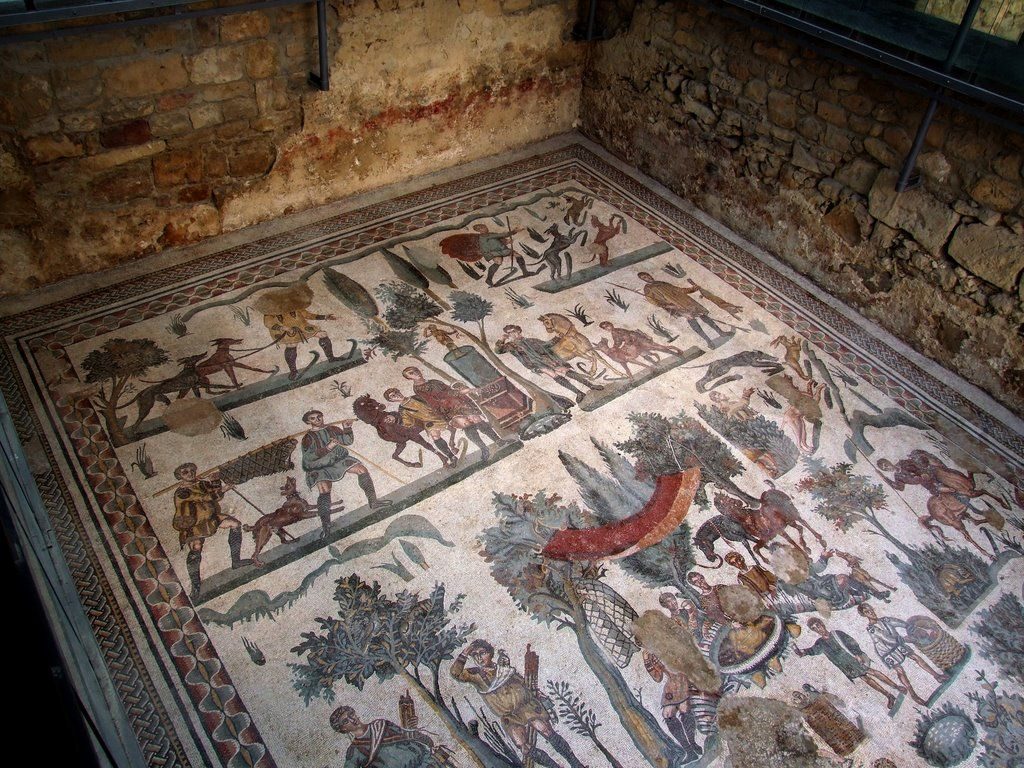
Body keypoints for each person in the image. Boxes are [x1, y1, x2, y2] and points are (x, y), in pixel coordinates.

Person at [451, 639, 588, 768]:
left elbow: (523, 682)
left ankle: (576, 764)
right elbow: (455, 673)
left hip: (526, 707)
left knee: (545, 730)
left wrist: (539, 695)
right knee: (524, 747)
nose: (479, 658)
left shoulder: (504, 669)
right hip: (509, 716)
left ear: (490, 653)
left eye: (482, 653)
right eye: (475, 655)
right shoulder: (474, 675)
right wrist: (465, 653)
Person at [301, 409, 390, 537]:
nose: (317, 420)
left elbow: (347, 441)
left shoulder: (332, 429)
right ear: (308, 422)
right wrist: (328, 447)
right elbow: (308, 458)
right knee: (324, 489)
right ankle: (326, 526)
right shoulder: (308, 438)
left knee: (362, 469)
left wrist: (347, 428)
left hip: (337, 460)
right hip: (320, 466)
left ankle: (373, 501)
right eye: (313, 418)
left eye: (319, 416)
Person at [795, 617, 906, 711]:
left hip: (853, 658)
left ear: (822, 624)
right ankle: (888, 695)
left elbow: (851, 641)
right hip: (846, 665)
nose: (818, 629)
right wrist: (802, 652)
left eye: (818, 626)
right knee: (866, 679)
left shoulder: (836, 634)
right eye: (814, 629)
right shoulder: (820, 643)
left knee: (872, 672)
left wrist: (857, 653)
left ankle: (896, 687)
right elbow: (813, 650)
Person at [172, 462, 248, 599]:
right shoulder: (182, 492)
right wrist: (223, 489)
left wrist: (215, 480)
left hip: (211, 518)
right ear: (179, 476)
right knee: (196, 547)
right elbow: (203, 497)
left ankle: (236, 561)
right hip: (194, 524)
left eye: (192, 470)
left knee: (235, 524)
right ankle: (195, 586)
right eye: (185, 472)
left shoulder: (201, 484)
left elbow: (217, 496)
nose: (190, 473)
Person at [400, 367, 500, 460]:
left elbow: (448, 389)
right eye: (411, 373)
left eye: (416, 370)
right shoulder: (418, 389)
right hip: (447, 409)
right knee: (465, 424)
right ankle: (484, 449)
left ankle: (498, 441)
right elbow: (438, 397)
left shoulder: (434, 381)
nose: (416, 373)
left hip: (458, 403)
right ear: (409, 378)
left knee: (476, 419)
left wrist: (461, 392)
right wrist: (462, 392)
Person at [857, 603, 947, 705]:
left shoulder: (885, 620)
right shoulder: (871, 629)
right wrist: (904, 639)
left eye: (871, 609)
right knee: (900, 670)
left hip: (898, 643)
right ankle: (914, 695)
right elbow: (885, 638)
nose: (871, 612)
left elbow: (899, 622)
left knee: (915, 657)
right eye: (867, 612)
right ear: (864, 615)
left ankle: (937, 676)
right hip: (887, 651)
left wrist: (911, 628)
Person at [495, 324, 602, 403]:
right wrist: (502, 339)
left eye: (513, 331)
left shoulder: (531, 340)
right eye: (509, 333)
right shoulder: (511, 346)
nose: (512, 334)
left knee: (565, 371)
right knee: (554, 376)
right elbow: (498, 351)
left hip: (547, 359)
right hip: (536, 364)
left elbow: (546, 344)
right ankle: (578, 392)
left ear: (518, 331)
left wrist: (557, 337)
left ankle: (591, 385)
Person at [636, 271, 731, 346]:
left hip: (686, 301)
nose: (647, 278)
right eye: (644, 278)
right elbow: (652, 300)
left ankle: (721, 332)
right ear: (643, 280)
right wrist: (666, 305)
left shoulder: (661, 283)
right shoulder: (648, 288)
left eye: (647, 275)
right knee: (691, 319)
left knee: (703, 316)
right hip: (674, 306)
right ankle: (708, 341)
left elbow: (678, 290)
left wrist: (692, 289)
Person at [330, 705, 442, 768]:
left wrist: (412, 729)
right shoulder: (355, 750)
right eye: (346, 721)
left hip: (425, 763)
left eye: (351, 714)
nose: (352, 720)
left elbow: (415, 738)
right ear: (343, 729)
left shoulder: (381, 724)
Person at [383, 387, 458, 465]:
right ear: (392, 400)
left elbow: (431, 402)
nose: (397, 395)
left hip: (437, 414)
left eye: (396, 392)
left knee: (454, 425)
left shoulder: (415, 397)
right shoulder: (402, 410)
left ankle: (452, 440)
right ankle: (451, 456)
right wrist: (398, 423)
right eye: (393, 396)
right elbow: (408, 422)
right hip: (429, 422)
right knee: (435, 436)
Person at [263, 307, 340, 380]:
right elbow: (268, 323)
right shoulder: (271, 310)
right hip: (285, 332)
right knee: (291, 344)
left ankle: (331, 358)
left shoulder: (294, 305)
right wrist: (283, 328)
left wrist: (325, 317)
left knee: (323, 334)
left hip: (301, 327)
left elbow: (308, 315)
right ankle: (293, 372)